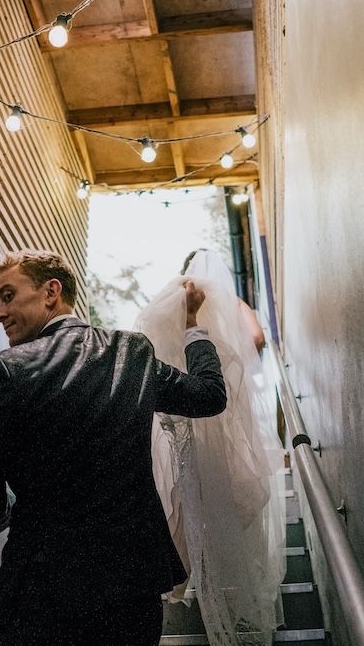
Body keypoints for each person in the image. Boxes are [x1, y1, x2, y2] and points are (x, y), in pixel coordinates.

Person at [0, 249, 227, 645]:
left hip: (40, 592)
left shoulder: (8, 369)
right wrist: (192, 327)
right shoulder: (134, 355)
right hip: (131, 589)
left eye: (7, 295)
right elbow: (209, 396)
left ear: (51, 292)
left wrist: (8, 515)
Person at [137, 249, 286, 646]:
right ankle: (229, 574)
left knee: (185, 489)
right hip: (224, 406)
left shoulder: (173, 299)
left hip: (182, 409)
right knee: (230, 486)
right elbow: (255, 337)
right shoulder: (232, 301)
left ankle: (187, 577)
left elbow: (147, 347)